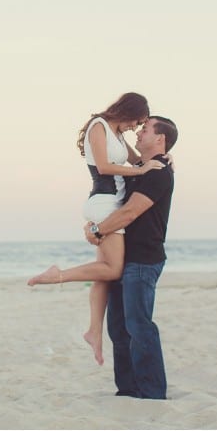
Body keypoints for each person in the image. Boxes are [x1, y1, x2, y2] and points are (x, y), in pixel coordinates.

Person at [27, 92, 164, 365]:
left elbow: (140, 161)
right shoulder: (99, 126)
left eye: (139, 127)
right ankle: (58, 276)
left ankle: (94, 331)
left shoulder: (117, 134)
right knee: (113, 269)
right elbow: (103, 166)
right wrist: (140, 172)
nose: (134, 129)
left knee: (105, 273)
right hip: (104, 203)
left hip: (108, 203)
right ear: (128, 111)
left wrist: (164, 158)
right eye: (135, 122)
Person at [83, 115, 177, 400]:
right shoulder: (139, 169)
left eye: (145, 129)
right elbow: (114, 198)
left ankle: (151, 393)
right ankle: (128, 390)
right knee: (118, 328)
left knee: (138, 325)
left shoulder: (159, 172)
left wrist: (98, 231)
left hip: (143, 259)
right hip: (123, 258)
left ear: (160, 139)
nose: (138, 133)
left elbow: (129, 212)